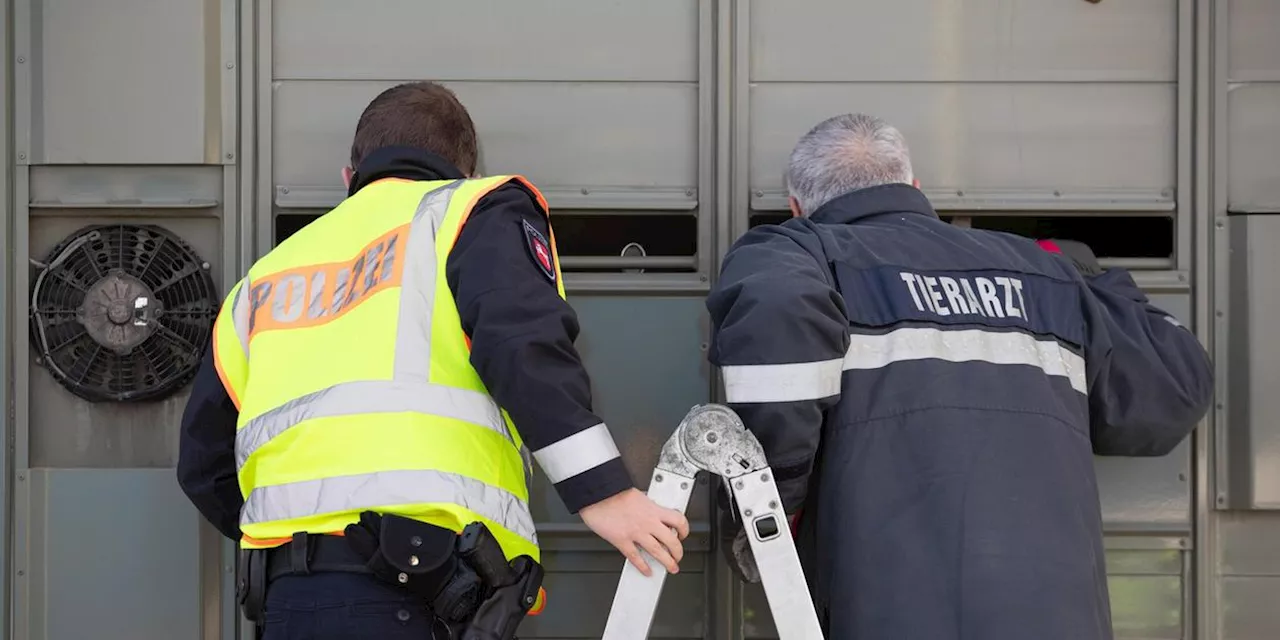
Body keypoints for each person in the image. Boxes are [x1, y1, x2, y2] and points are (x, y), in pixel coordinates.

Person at [176, 81, 689, 639]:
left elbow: (204, 464)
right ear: (462, 171)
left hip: (291, 602)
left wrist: (299, 548)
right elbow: (523, 347)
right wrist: (603, 493)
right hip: (417, 593)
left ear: (350, 178)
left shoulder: (266, 276)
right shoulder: (469, 212)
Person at [706, 113, 1213, 639]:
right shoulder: (1043, 271)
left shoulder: (799, 252)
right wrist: (1096, 283)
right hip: (1060, 614)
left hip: (892, 610)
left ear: (796, 207)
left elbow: (777, 312)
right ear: (913, 186)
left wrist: (762, 510)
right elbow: (1174, 390)